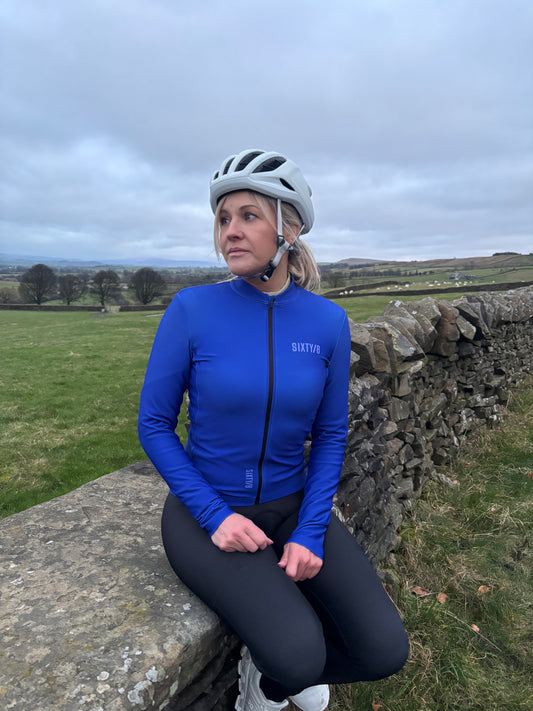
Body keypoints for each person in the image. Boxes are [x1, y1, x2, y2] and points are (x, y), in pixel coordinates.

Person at [138, 149, 409, 711]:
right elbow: (154, 424)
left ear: (291, 228)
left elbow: (330, 434)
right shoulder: (192, 309)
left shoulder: (327, 322)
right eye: (223, 219)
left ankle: (270, 672)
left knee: (385, 651)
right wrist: (215, 516)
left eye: (248, 216)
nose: (230, 231)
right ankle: (268, 677)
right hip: (205, 510)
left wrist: (310, 528)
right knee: (298, 656)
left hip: (291, 503)